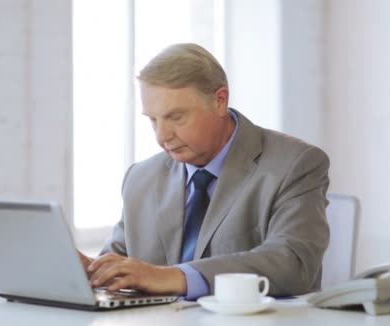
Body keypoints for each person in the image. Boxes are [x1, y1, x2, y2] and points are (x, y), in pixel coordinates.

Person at [78, 43, 330, 299]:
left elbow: (292, 263)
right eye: (153, 120)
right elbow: (121, 264)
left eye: (176, 117)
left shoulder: (296, 164)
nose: (162, 136)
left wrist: (173, 277)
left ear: (220, 101)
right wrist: (88, 271)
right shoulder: (140, 178)